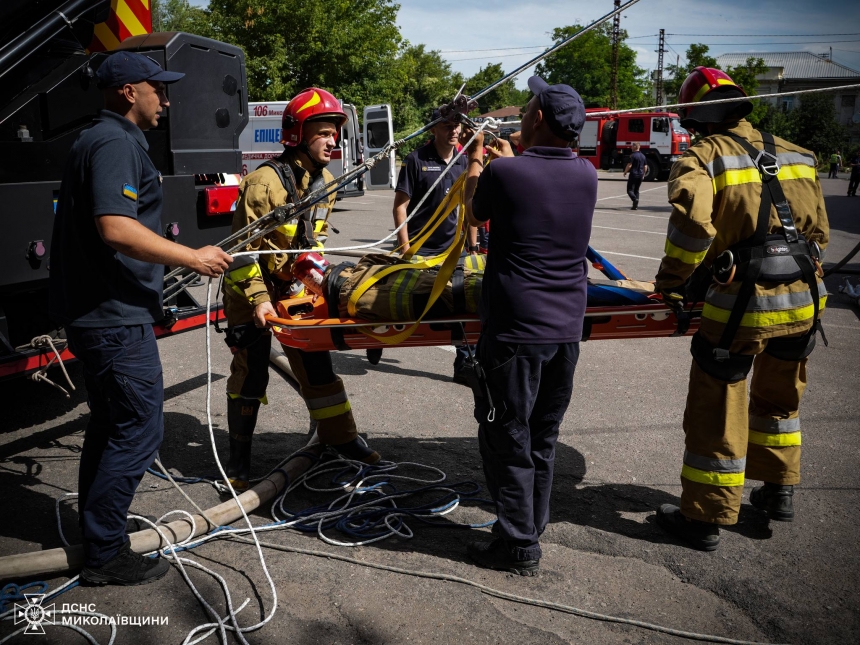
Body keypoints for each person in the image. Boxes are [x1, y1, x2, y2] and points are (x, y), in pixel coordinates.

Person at [49, 51, 233, 585]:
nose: (168, 99)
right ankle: (106, 554)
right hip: (112, 318)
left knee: (111, 425)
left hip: (105, 313)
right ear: (130, 91)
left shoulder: (105, 139)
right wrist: (193, 258)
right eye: (160, 89)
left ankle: (100, 533)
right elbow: (116, 228)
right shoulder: (112, 143)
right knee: (139, 429)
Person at [654, 67, 829, 551]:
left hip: (740, 308)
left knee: (719, 405)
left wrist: (672, 284)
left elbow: (694, 227)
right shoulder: (798, 154)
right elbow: (818, 234)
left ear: (698, 115)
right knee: (780, 398)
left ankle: (706, 517)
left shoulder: (703, 156)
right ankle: (778, 491)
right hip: (804, 303)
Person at [462, 76, 597, 575]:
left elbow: (475, 211)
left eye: (527, 107)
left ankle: (517, 544)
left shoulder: (507, 173)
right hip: (565, 330)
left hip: (516, 332)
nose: (520, 113)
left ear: (537, 118)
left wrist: (479, 158)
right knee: (542, 435)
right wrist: (510, 158)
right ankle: (529, 525)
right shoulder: (587, 174)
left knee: (508, 437)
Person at [221, 87, 380, 491]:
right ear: (297, 134)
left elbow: (314, 241)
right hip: (250, 289)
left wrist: (320, 279)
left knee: (317, 363)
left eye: (335, 133)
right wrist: (258, 301)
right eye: (324, 133)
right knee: (251, 373)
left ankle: (341, 438)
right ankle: (238, 461)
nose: (333, 141)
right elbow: (241, 255)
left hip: (292, 286)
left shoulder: (325, 181)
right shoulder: (262, 185)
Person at [391, 109, 479, 383]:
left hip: (454, 250)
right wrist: (405, 247)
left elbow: (470, 206)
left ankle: (465, 361)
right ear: (433, 129)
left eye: (457, 127)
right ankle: (379, 337)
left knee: (466, 303)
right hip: (419, 248)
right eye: (447, 126)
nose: (454, 131)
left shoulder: (464, 161)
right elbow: (400, 207)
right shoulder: (416, 159)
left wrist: (473, 246)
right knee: (405, 303)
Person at [623, 142, 647, 209]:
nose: (631, 147)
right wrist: (644, 174)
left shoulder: (632, 155)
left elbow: (629, 165)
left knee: (629, 190)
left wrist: (625, 171)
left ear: (635, 147)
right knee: (636, 190)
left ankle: (634, 199)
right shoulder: (643, 156)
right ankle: (635, 206)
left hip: (633, 174)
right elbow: (645, 166)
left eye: (632, 146)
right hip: (640, 174)